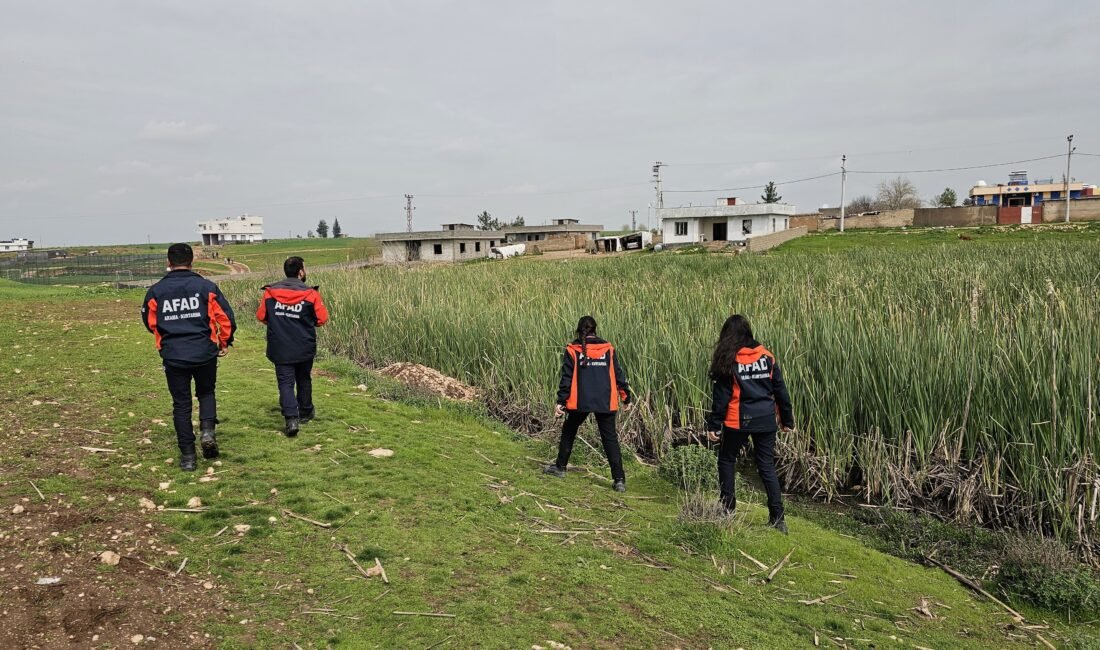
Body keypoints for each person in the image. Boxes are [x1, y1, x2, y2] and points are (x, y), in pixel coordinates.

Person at [141, 243, 237, 471]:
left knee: (181, 405)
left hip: (174, 356)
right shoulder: (206, 287)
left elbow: (150, 323)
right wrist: (223, 342)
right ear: (192, 261)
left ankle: (188, 457)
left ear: (168, 262)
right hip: (204, 352)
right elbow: (226, 319)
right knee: (206, 392)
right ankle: (207, 432)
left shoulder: (156, 291)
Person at [705, 314, 794, 534]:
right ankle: (778, 518)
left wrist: (714, 425)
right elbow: (780, 390)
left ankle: (727, 509)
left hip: (738, 420)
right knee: (766, 466)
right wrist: (787, 420)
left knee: (726, 459)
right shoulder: (767, 356)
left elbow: (721, 398)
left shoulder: (729, 359)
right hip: (766, 420)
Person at [544, 316, 632, 492]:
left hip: (580, 401)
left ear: (579, 330)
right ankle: (619, 480)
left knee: (569, 430)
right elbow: (618, 374)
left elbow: (566, 378)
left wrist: (561, 401)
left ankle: (560, 467)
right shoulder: (608, 349)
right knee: (610, 439)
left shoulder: (572, 350)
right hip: (605, 401)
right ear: (595, 330)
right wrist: (626, 397)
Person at [256, 256, 329, 436]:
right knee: (304, 378)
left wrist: (278, 323)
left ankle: (291, 419)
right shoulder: (311, 294)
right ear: (301, 272)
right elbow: (322, 319)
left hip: (280, 346)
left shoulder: (270, 293)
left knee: (285, 383)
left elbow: (261, 316)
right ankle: (305, 411)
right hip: (304, 346)